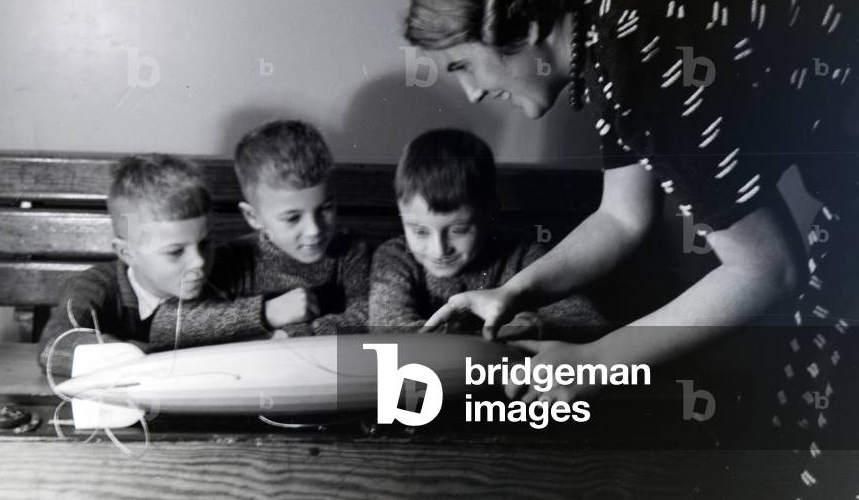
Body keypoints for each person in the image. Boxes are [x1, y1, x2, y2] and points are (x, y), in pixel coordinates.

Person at [406, 0, 858, 497]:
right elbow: (622, 217)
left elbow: (770, 270)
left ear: (525, 26)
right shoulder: (608, 25)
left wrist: (594, 361)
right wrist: (514, 292)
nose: (470, 94)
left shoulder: (639, 58)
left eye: (463, 66)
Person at [369, 127, 609, 341]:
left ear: (490, 210)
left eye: (459, 230)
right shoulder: (395, 257)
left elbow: (586, 319)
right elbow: (388, 330)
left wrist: (530, 326)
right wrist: (485, 338)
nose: (439, 249)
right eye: (420, 231)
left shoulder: (522, 253)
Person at [187, 120, 370, 340]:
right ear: (253, 217)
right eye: (293, 218)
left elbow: (370, 316)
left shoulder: (351, 252)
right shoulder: (234, 260)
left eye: (325, 209)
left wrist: (291, 334)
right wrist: (267, 313)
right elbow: (166, 324)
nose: (313, 230)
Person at [38, 154, 216, 376]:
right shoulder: (96, 286)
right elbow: (54, 348)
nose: (199, 260)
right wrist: (144, 357)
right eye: (176, 251)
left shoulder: (219, 279)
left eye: (205, 243)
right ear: (127, 253)